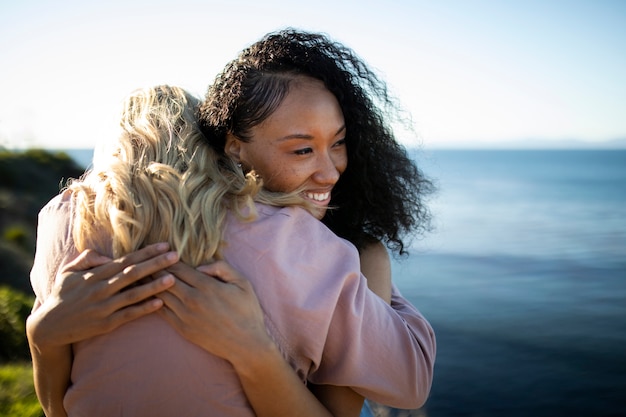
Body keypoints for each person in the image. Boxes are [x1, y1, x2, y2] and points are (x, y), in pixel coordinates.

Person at [27, 83, 435, 416]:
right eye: (302, 148)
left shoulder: (61, 223)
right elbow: (411, 381)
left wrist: (41, 336)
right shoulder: (281, 233)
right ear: (218, 147)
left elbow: (59, 409)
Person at [197, 28, 436, 414]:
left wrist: (250, 349)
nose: (330, 172)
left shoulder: (359, 257)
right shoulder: (186, 233)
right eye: (303, 149)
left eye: (338, 143)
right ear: (234, 144)